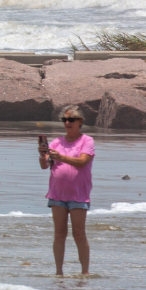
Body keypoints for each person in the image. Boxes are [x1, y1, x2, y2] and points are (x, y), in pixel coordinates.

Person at [40, 106, 95, 276]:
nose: (67, 123)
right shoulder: (56, 142)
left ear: (80, 122)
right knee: (59, 233)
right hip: (57, 194)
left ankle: (85, 272)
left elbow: (82, 162)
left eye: (71, 120)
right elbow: (44, 165)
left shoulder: (87, 141)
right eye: (64, 120)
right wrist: (43, 155)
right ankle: (58, 272)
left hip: (78, 195)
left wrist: (60, 157)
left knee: (79, 233)